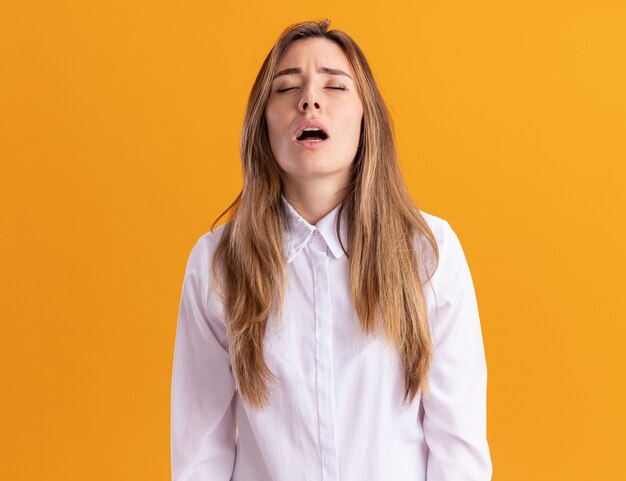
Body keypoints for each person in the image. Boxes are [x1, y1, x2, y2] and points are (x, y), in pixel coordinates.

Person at [170, 18, 493, 481]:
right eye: (286, 88)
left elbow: (458, 451)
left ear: (367, 118)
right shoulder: (218, 264)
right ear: (263, 121)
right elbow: (200, 453)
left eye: (335, 86)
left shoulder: (429, 253)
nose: (309, 99)